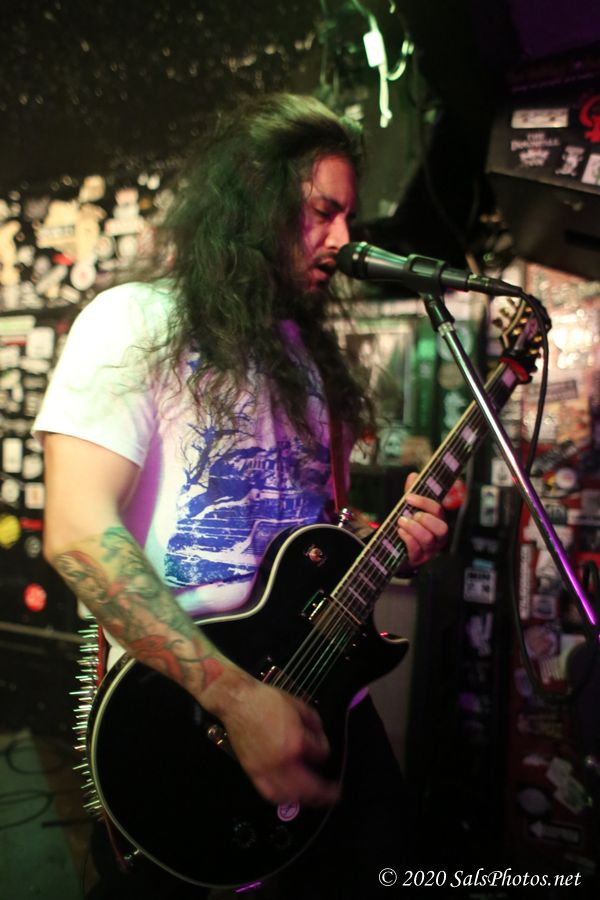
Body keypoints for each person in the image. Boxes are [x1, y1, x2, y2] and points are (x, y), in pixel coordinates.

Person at [34, 93, 448, 898]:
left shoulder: (309, 363)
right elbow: (78, 532)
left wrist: (389, 542)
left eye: (348, 217)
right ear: (256, 201)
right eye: (322, 212)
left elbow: (308, 537)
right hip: (187, 713)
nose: (344, 239)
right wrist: (233, 698)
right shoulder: (133, 322)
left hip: (323, 697)